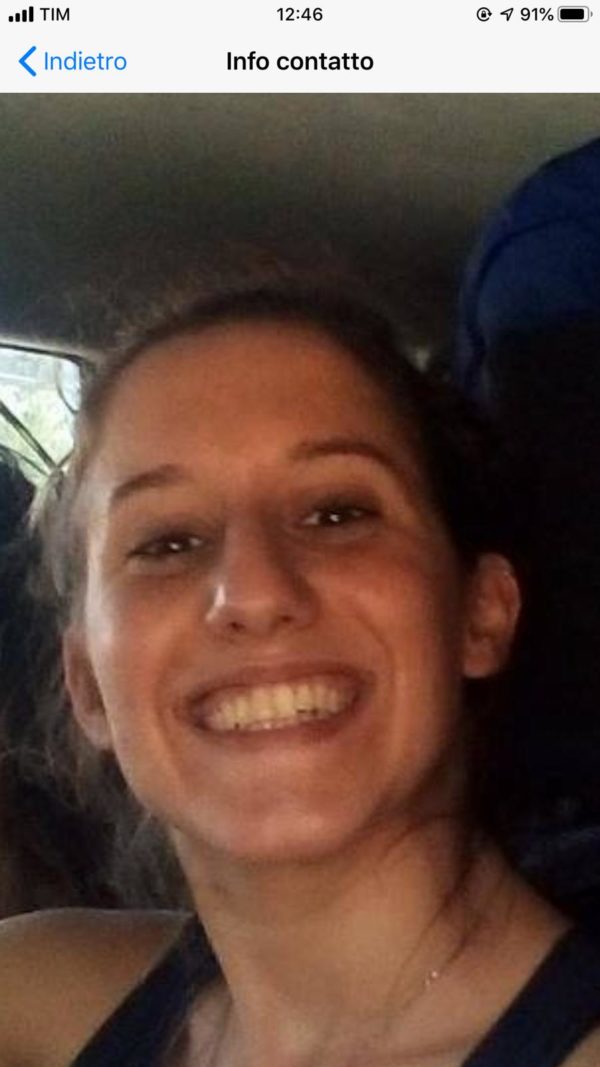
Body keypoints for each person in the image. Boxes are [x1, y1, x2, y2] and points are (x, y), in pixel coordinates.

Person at [2, 263, 600, 1067]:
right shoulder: (33, 997)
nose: (252, 591)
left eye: (336, 513)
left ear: (479, 612)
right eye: (169, 541)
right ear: (88, 685)